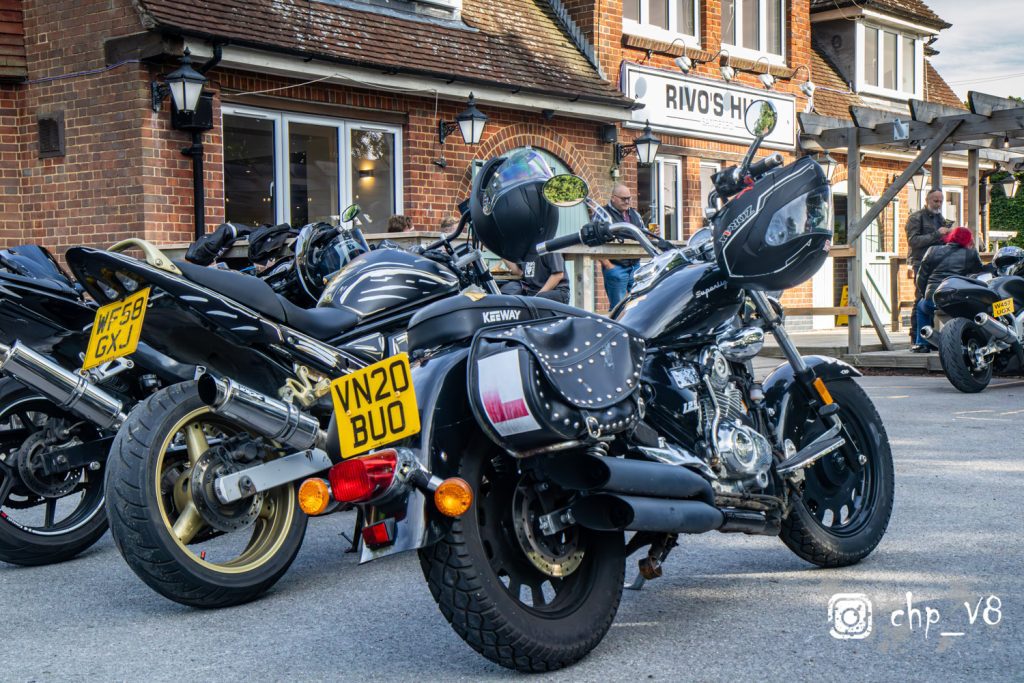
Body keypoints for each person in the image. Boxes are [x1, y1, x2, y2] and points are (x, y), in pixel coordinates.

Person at [913, 226, 983, 352]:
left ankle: (922, 344)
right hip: (957, 300)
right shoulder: (971, 254)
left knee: (921, 307)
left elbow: (921, 278)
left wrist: (926, 295)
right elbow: (979, 276)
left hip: (934, 298)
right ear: (968, 239)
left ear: (951, 237)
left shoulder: (932, 250)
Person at [905, 189, 952, 344]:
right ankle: (916, 339)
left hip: (938, 263)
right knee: (921, 298)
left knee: (934, 299)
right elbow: (913, 241)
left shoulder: (940, 218)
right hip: (921, 263)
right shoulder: (916, 217)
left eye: (941, 201)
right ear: (927, 200)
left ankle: (930, 338)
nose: (938, 204)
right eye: (935, 201)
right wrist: (937, 234)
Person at [600, 183, 644, 309]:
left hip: (636, 266)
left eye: (629, 198)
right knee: (618, 308)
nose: (627, 201)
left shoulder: (635, 214)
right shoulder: (603, 214)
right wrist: (609, 266)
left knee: (639, 306)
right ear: (613, 198)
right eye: (623, 199)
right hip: (616, 266)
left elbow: (643, 235)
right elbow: (594, 242)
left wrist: (653, 235)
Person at [500, 250, 571, 304]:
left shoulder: (547, 247)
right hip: (533, 291)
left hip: (557, 292)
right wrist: (502, 254)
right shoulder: (525, 250)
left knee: (537, 300)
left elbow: (558, 275)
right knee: (507, 292)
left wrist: (537, 296)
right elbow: (519, 272)